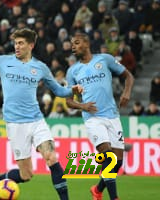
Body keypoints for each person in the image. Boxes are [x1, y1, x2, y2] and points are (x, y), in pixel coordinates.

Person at [0, 28, 83, 200]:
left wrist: (72, 90)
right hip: (15, 124)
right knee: (26, 175)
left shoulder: (40, 67)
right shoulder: (3, 61)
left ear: (31, 45)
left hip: (36, 121)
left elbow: (58, 91)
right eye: (15, 43)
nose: (17, 46)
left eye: (21, 43)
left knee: (51, 157)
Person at [66, 32, 134, 200]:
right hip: (92, 117)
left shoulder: (105, 59)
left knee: (117, 162)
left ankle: (97, 189)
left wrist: (126, 92)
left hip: (112, 115)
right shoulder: (72, 71)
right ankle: (114, 197)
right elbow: (68, 101)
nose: (73, 46)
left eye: (76, 42)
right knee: (108, 156)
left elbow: (128, 76)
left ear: (87, 43)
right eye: (71, 44)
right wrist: (82, 105)